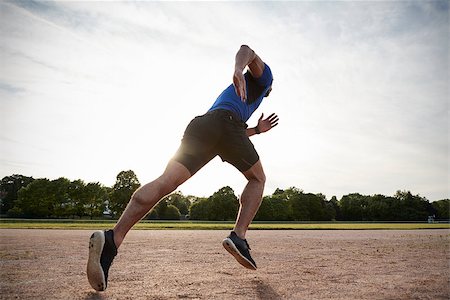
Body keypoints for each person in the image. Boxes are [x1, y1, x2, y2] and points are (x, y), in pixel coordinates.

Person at [87, 45, 279, 291]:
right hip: (227, 126)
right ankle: (238, 236)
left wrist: (256, 131)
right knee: (258, 179)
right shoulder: (264, 79)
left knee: (166, 181)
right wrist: (238, 69)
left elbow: (234, 134)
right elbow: (247, 50)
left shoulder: (239, 99)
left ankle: (112, 239)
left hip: (204, 125)